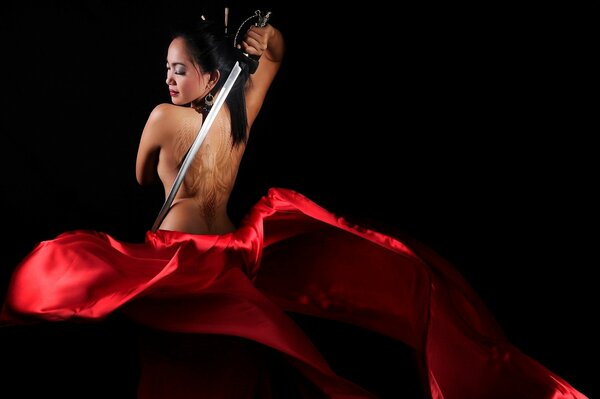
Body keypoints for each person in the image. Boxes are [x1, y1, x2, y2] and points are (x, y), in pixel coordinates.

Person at [0, 15, 589, 399]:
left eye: (180, 69)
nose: (170, 79)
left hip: (181, 260)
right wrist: (265, 40)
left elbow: (137, 176)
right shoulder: (238, 126)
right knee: (234, 365)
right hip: (233, 257)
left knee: (168, 359)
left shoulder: (162, 118)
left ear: (209, 76)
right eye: (167, 70)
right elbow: (275, 54)